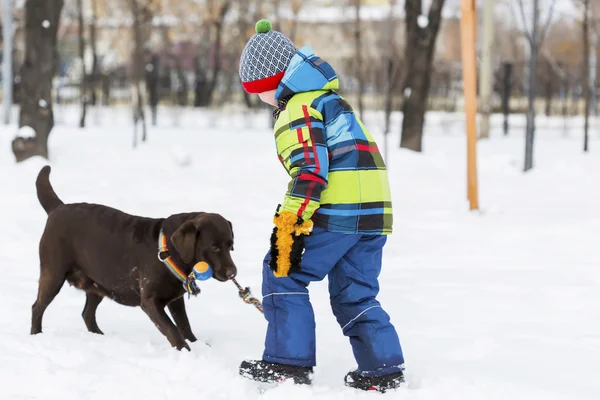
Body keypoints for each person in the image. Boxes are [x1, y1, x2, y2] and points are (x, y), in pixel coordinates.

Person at [237, 19, 405, 392]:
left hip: (335, 214)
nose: (259, 98)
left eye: (257, 90)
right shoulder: (329, 100)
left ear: (268, 82)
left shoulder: (296, 108)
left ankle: (286, 362)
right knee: (355, 292)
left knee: (283, 270)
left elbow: (310, 171)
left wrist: (289, 224)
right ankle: (383, 368)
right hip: (373, 215)